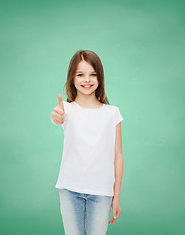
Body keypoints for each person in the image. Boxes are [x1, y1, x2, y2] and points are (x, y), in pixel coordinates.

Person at [51, 50, 124, 235]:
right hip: (69, 190)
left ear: (100, 77)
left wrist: (116, 196)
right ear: (72, 78)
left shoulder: (112, 112)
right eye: (80, 74)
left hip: (101, 192)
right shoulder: (66, 109)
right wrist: (57, 117)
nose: (87, 80)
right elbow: (57, 118)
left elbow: (118, 156)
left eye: (93, 74)